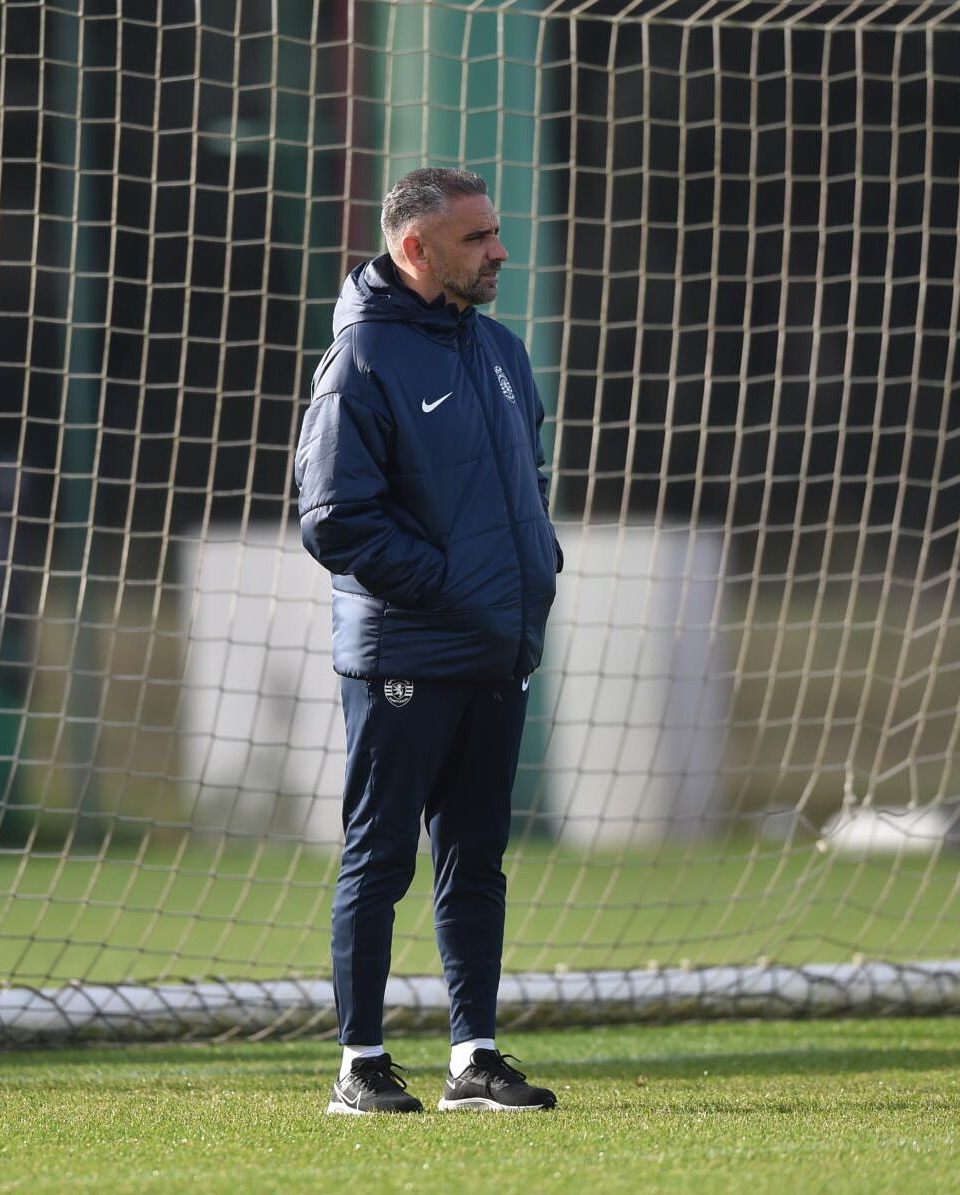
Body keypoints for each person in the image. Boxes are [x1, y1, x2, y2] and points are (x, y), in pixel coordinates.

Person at [294, 168, 564, 1114]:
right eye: (476, 238)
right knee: (381, 857)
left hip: (494, 650)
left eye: (494, 233)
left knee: (476, 856)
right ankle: (359, 1064)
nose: (498, 252)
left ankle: (473, 1060)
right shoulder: (361, 357)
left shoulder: (498, 349)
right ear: (415, 248)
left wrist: (536, 564)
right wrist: (451, 588)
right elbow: (334, 520)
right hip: (406, 655)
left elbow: (524, 476)